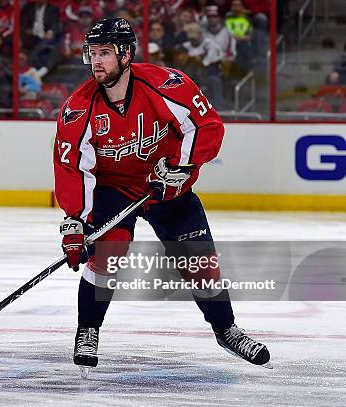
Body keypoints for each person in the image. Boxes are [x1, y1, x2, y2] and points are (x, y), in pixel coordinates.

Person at [53, 17, 271, 376]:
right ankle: (88, 330)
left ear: (125, 54)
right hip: (115, 191)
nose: (96, 62)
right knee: (107, 258)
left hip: (168, 186)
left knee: (201, 265)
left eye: (104, 53)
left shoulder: (166, 84)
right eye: (92, 53)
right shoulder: (79, 108)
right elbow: (72, 168)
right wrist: (76, 219)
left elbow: (207, 126)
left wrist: (182, 167)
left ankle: (226, 330)